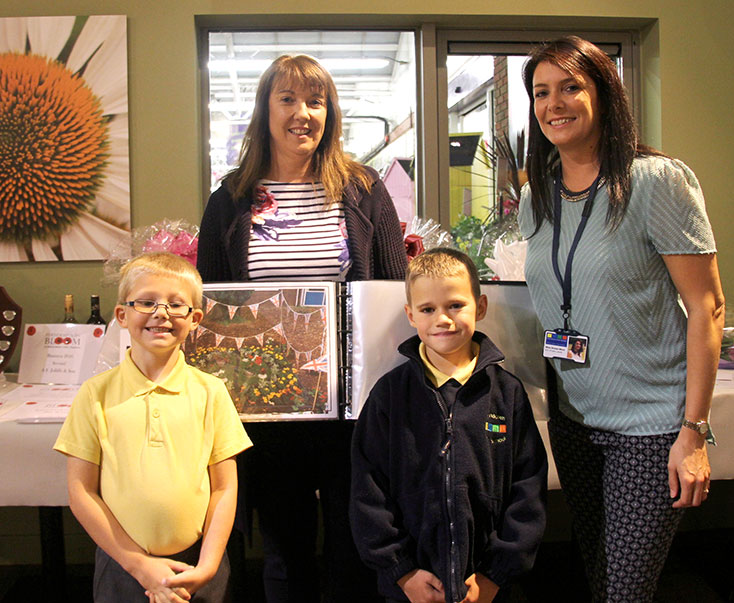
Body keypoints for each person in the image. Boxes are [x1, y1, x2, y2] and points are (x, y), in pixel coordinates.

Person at [518, 36, 726, 602]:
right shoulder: (537, 195)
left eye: (570, 87)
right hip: (574, 417)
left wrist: (694, 431)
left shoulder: (656, 181)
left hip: (651, 427)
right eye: (541, 92)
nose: (553, 104)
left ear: (604, 95)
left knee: (626, 592)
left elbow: (708, 307)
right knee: (600, 575)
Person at [197, 54, 408, 602]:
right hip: (267, 409)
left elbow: (391, 288)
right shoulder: (230, 201)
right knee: (284, 549)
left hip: (353, 409)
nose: (303, 113)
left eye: (315, 101)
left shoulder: (361, 189)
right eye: (287, 99)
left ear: (330, 112)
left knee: (355, 542)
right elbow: (212, 308)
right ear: (265, 108)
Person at [350, 247, 548, 603]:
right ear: (411, 315)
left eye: (455, 305)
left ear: (481, 306)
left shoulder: (507, 394)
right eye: (428, 309)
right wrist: (402, 572)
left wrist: (495, 575)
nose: (443, 319)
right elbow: (368, 488)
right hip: (408, 589)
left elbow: (527, 490)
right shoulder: (390, 395)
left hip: (489, 588)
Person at [53, 252, 252, 602]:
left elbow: (224, 489)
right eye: (146, 302)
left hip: (200, 565)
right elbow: (81, 492)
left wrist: (207, 566)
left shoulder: (211, 392)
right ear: (122, 315)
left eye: (176, 305)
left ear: (195, 319)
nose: (161, 313)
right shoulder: (95, 394)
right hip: (123, 567)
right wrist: (137, 564)